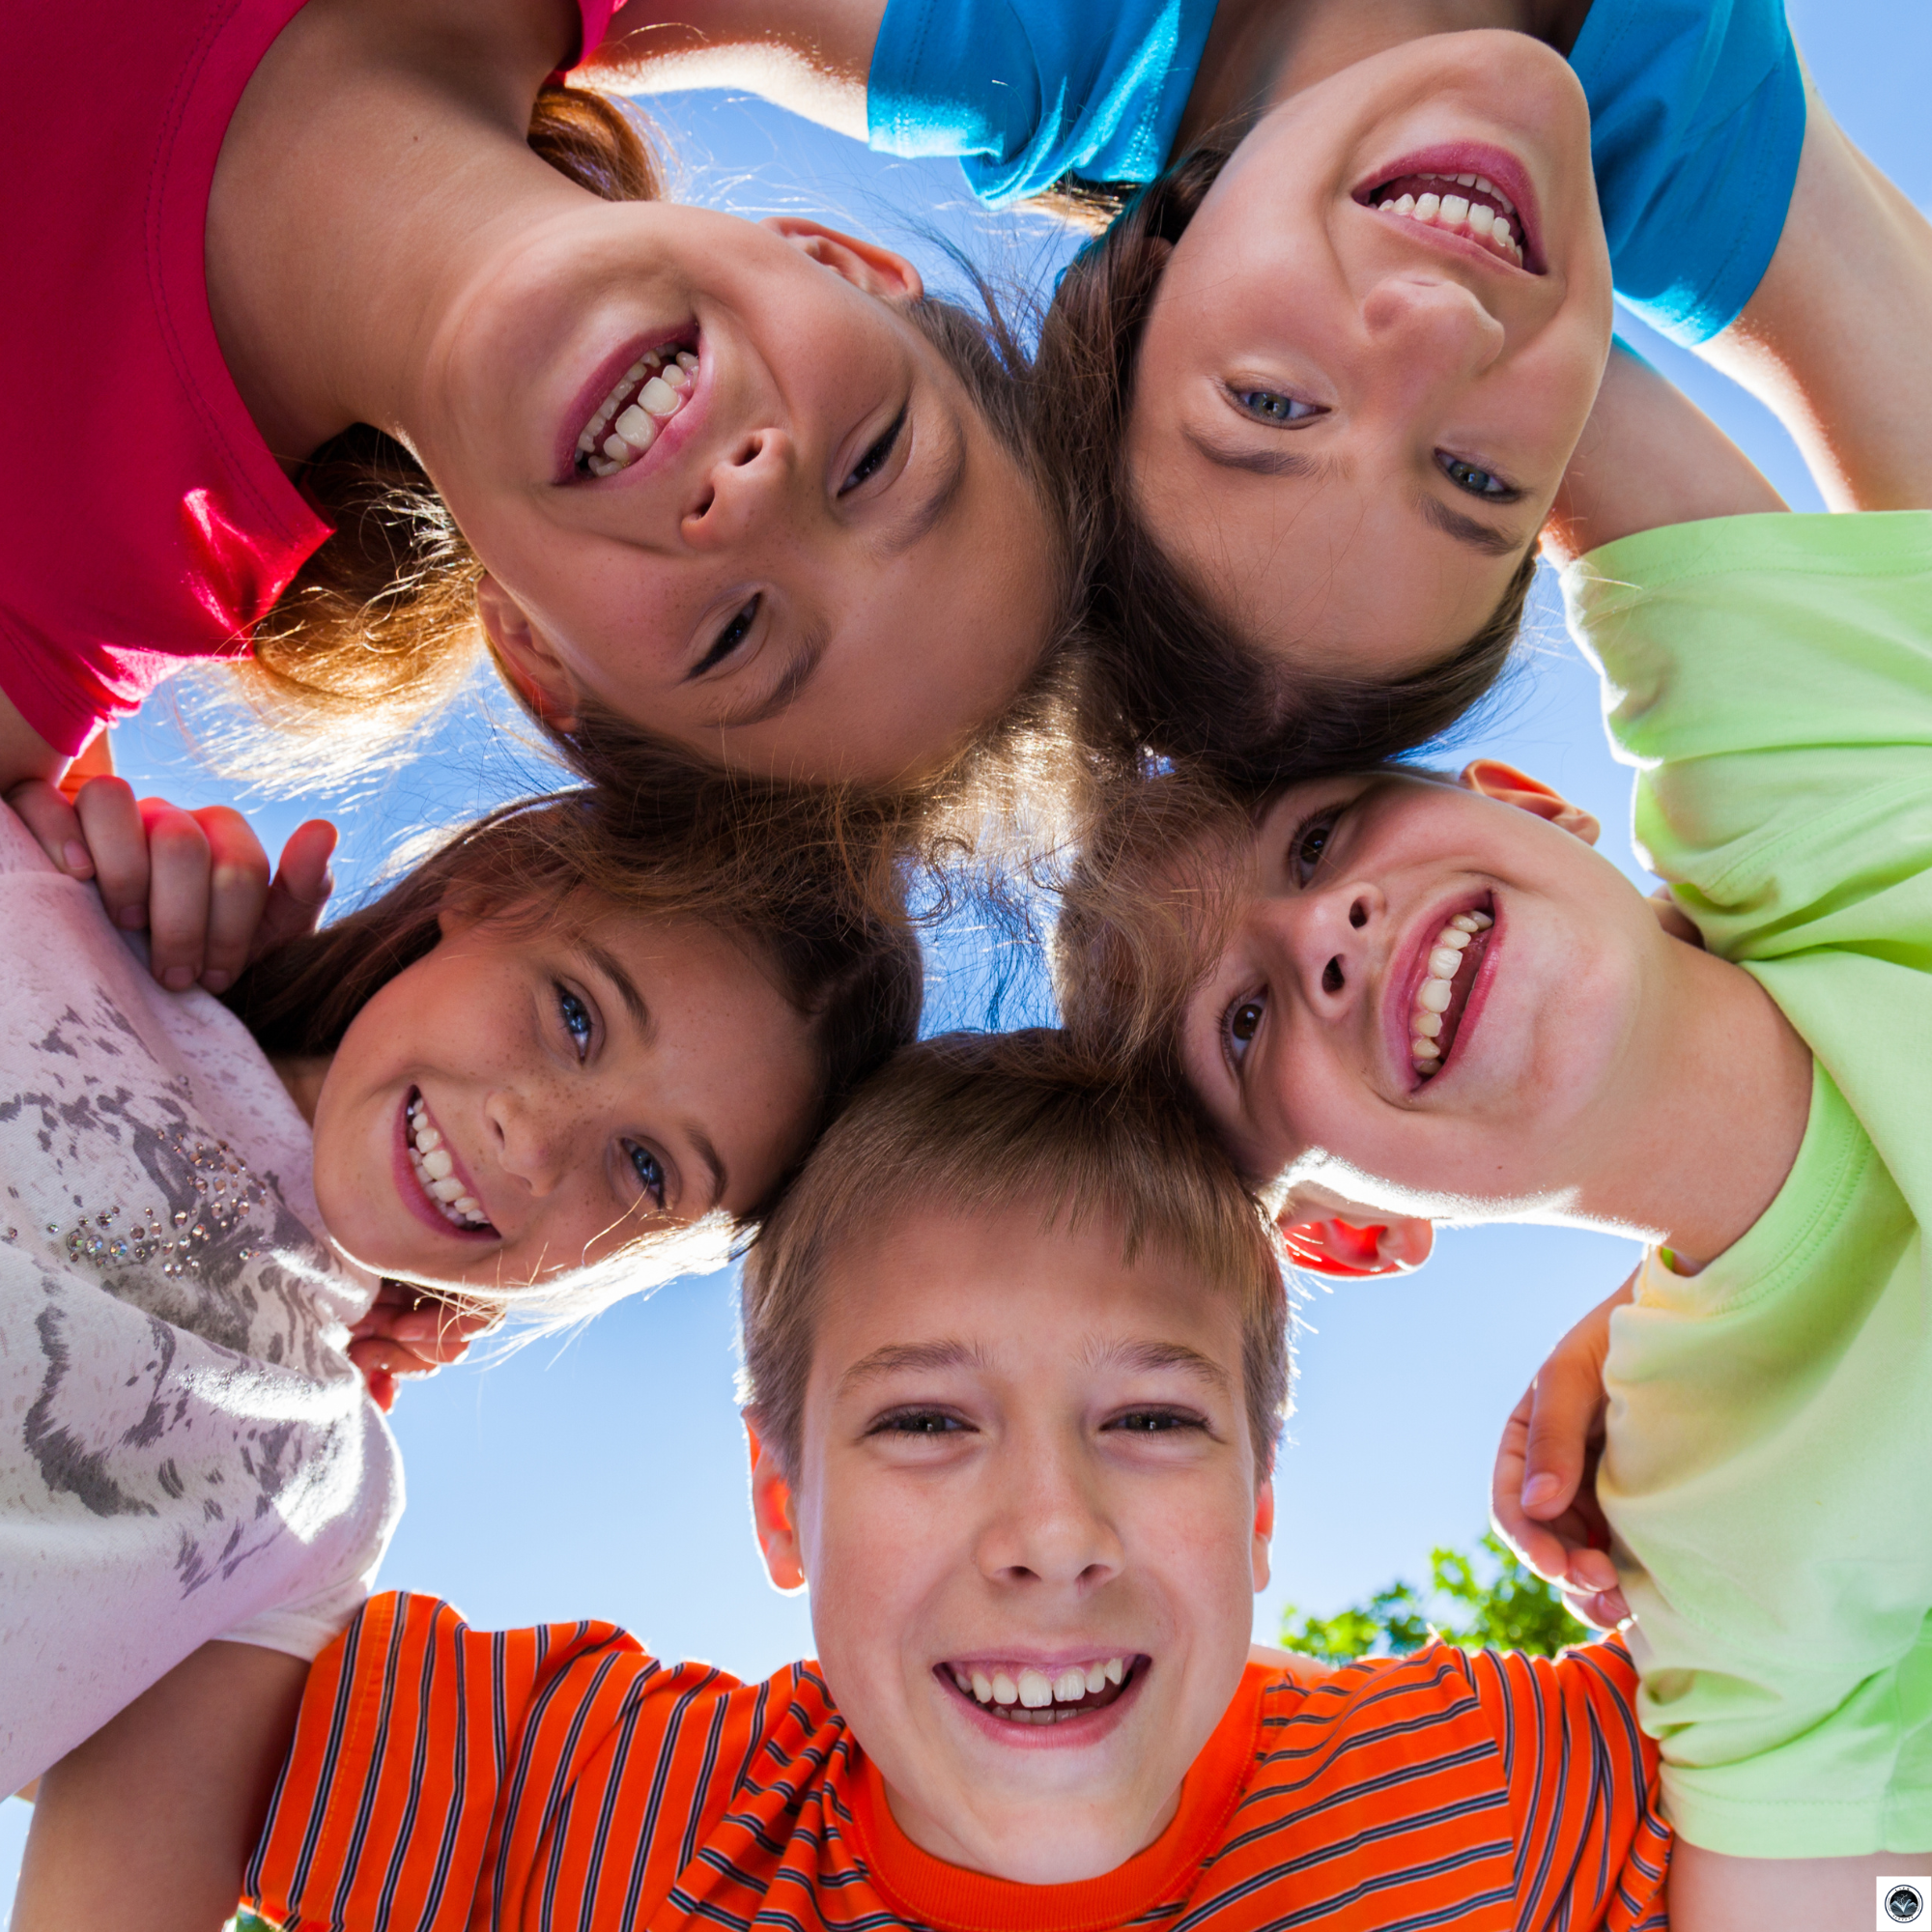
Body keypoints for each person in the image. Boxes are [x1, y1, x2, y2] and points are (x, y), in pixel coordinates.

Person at [23, 1030, 1670, 1928]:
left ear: (1258, 1508)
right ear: (781, 1508)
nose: (1050, 1536)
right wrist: (240, 1078)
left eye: (1154, 1420)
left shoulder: (1514, 1804)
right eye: (926, 1424)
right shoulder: (614, 1816)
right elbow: (117, 1634)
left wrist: (1730, 1325)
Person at [1054, 319, 1932, 1919]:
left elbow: (1491, 351)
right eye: (1246, 1026)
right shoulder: (1686, 1506)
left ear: (1527, 803)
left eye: (1318, 842)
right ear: (1350, 1231)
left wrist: (1178, 226)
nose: (1323, 939)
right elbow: (1837, 1897)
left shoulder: (1815, 805)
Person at [0, 769, 921, 1840]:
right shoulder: (54, 883)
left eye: (644, 1167)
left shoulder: (308, 1510)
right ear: (499, 883)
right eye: (574, 1014)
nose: (530, 1143)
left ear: (645, 1263)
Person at [595, 0, 1841, 776]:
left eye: (1271, 406)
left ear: (1137, 276)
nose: (1438, 330)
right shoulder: (1695, 130)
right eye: (1473, 478)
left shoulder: (1004, 34)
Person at [1, 0, 1070, 812]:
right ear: (834, 260)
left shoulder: (54, 605)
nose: (747, 501)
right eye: (872, 463)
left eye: (736, 633)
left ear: (534, 654)